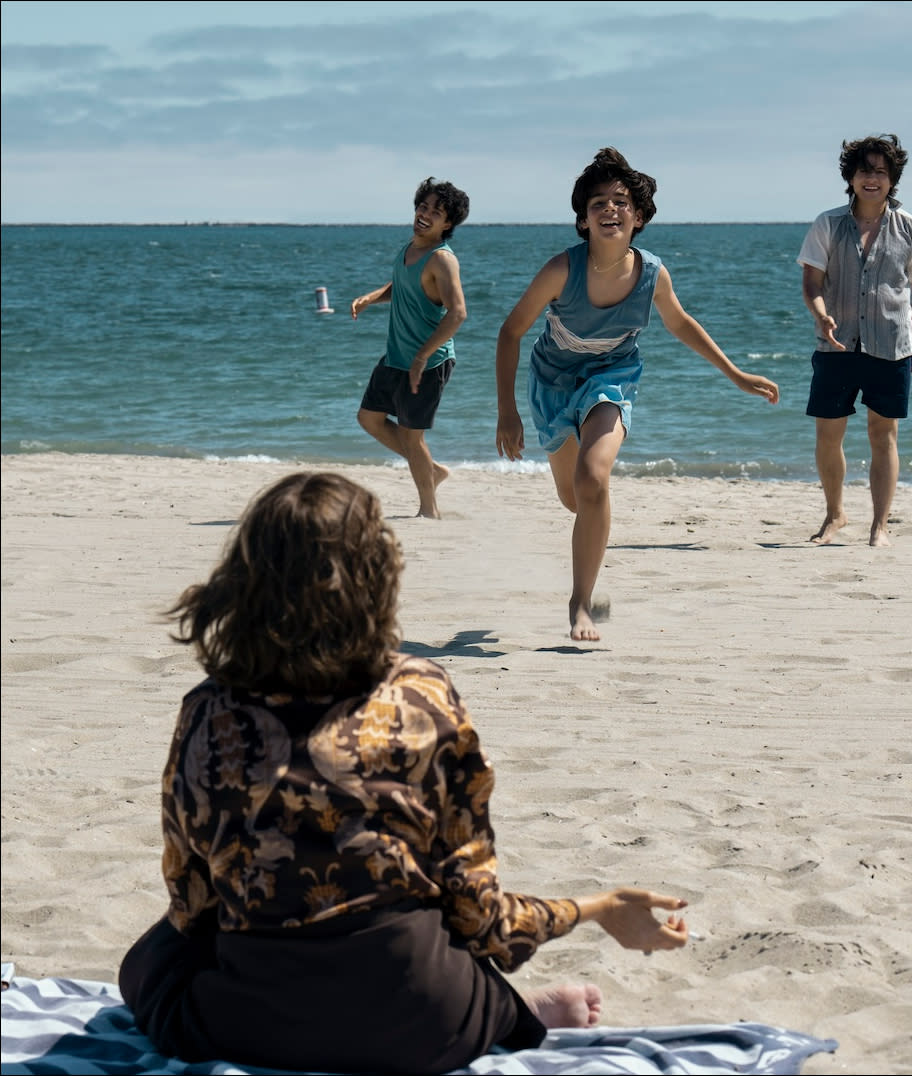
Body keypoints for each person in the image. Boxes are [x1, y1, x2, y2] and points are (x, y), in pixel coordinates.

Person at [118, 471, 689, 1075]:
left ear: (244, 582)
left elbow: (191, 902)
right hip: (423, 1020)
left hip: (247, 1024)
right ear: (378, 578)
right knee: (430, 933)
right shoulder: (422, 694)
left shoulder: (209, 707)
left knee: (149, 959)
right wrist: (599, 907)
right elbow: (480, 917)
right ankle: (512, 1011)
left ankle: (501, 1008)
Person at [495, 147, 780, 642]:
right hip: (553, 383)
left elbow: (680, 323)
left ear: (639, 216)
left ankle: (581, 604)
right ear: (583, 221)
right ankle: (589, 540)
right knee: (573, 498)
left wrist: (735, 374)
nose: (610, 209)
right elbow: (510, 332)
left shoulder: (651, 274)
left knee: (593, 479)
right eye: (598, 203)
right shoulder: (562, 271)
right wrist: (507, 412)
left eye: (621, 201)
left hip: (612, 375)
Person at [797, 133, 912, 547]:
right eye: (863, 171)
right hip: (836, 347)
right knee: (828, 434)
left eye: (880, 172)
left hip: (891, 345)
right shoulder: (827, 223)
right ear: (851, 177)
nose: (871, 179)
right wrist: (821, 315)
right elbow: (811, 281)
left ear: (892, 179)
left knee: (883, 434)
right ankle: (834, 515)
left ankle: (880, 525)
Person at [352, 177, 470, 519]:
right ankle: (431, 470)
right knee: (369, 419)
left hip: (429, 362)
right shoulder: (410, 248)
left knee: (411, 435)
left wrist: (422, 355)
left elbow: (458, 312)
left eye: (437, 212)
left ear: (448, 223)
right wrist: (372, 297)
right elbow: (404, 284)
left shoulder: (442, 260)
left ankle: (428, 509)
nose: (425, 214)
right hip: (397, 356)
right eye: (423, 206)